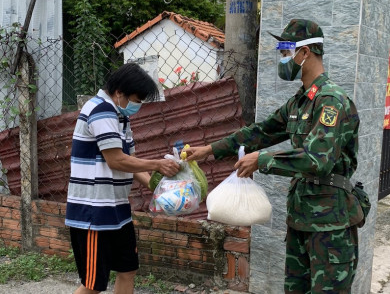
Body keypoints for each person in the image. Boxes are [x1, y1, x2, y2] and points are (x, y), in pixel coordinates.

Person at [183, 19, 364, 294]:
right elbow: (261, 133)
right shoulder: (300, 101)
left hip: (331, 225)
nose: (282, 60)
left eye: (285, 52)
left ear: (305, 53)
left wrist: (262, 160)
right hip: (301, 219)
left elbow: (318, 160)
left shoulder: (331, 102)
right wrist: (209, 150)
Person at [65, 63, 180, 294]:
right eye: (136, 100)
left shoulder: (120, 118)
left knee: (128, 270)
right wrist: (158, 164)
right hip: (94, 213)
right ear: (119, 92)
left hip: (117, 210)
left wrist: (158, 189)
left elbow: (131, 162)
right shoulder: (101, 111)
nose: (137, 106)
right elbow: (116, 160)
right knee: (93, 284)